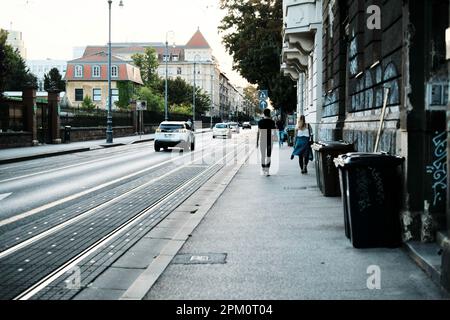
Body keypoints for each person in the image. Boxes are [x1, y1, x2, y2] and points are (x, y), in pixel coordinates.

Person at [257, 109, 277, 176]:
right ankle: (267, 170)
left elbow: (258, 132)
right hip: (269, 140)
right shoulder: (272, 122)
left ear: (264, 113)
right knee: (268, 156)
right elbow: (274, 132)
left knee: (263, 156)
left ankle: (263, 169)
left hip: (262, 140)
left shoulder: (260, 122)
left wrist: (257, 142)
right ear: (269, 114)